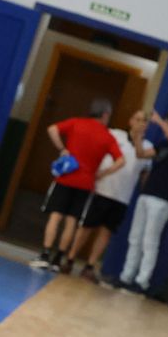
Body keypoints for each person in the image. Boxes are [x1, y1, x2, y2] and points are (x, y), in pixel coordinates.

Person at [29, 98, 124, 273]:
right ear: (105, 115)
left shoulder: (76, 123)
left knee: (55, 216)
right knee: (72, 220)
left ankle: (45, 254)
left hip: (66, 177)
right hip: (86, 183)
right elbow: (121, 160)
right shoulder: (107, 136)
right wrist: (102, 173)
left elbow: (52, 129)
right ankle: (59, 258)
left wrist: (62, 149)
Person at [69, 110, 156, 284]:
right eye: (137, 119)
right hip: (103, 189)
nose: (140, 123)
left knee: (106, 232)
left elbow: (144, 173)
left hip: (122, 196)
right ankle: (70, 258)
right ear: (131, 120)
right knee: (86, 226)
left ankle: (90, 266)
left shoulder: (147, 146)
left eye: (144, 121)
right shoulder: (115, 135)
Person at [115, 110, 168, 294]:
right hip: (147, 195)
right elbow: (141, 154)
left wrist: (159, 122)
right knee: (135, 237)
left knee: (150, 240)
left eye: (166, 123)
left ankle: (142, 281)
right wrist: (138, 136)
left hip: (163, 200)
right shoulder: (162, 144)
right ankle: (126, 276)